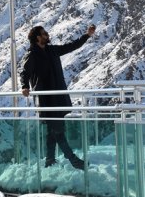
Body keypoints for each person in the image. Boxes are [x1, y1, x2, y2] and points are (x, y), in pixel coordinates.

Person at [20, 24, 96, 170]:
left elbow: (72, 46)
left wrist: (87, 35)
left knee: (52, 131)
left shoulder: (52, 50)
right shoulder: (32, 54)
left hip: (58, 96)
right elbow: (24, 73)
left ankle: (49, 160)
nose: (47, 35)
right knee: (58, 131)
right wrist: (25, 86)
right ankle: (74, 161)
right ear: (37, 37)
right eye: (44, 33)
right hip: (46, 99)